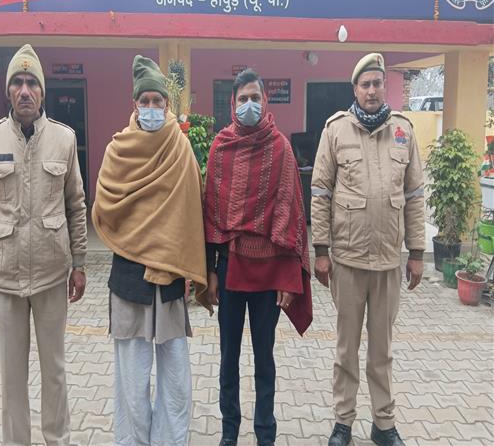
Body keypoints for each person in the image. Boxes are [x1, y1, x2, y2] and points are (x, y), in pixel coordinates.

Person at [0, 44, 87, 446]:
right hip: (4, 278)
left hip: (53, 275)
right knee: (12, 376)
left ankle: (58, 439)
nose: (24, 90)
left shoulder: (64, 140)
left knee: (54, 371)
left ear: (42, 91)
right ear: (8, 91)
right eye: (17, 83)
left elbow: (76, 205)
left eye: (32, 83)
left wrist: (80, 263)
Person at [92, 55, 209, 446]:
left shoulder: (181, 149)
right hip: (129, 282)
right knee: (132, 382)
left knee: (176, 383)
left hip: (170, 279)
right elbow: (106, 207)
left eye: (158, 101)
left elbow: (191, 211)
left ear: (167, 104)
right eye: (145, 101)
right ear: (135, 104)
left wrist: (190, 265)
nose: (152, 108)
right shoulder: (118, 150)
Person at [311, 53, 425, 446]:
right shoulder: (336, 130)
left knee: (382, 351)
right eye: (366, 84)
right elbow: (320, 193)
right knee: (346, 350)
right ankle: (343, 421)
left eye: (378, 83)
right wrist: (321, 250)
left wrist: (417, 253)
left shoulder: (403, 131)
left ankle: (383, 423)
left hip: (388, 262)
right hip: (347, 260)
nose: (372, 90)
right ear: (355, 90)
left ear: (384, 86)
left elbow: (414, 196)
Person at [204, 68, 313, 446]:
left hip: (269, 275)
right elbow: (211, 214)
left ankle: (265, 432)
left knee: (264, 358)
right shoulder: (220, 147)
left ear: (265, 101)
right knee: (228, 357)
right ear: (232, 104)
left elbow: (291, 214)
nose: (249, 104)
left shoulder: (280, 148)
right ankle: (229, 431)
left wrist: (289, 277)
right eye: (242, 99)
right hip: (229, 268)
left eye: (255, 98)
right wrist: (211, 271)